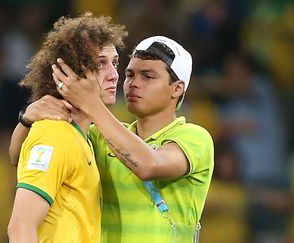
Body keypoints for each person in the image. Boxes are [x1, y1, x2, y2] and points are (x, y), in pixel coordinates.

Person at [11, 36, 214, 243]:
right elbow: (22, 157)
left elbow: (148, 165)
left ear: (177, 88)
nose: (133, 83)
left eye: (148, 76)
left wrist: (91, 103)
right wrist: (26, 119)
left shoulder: (195, 138)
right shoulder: (99, 136)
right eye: (129, 74)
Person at [6, 12, 127, 243]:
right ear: (69, 72)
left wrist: (25, 121)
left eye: (115, 63)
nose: (114, 75)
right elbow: (21, 228)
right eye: (101, 63)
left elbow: (16, 156)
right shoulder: (56, 134)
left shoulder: (87, 136)